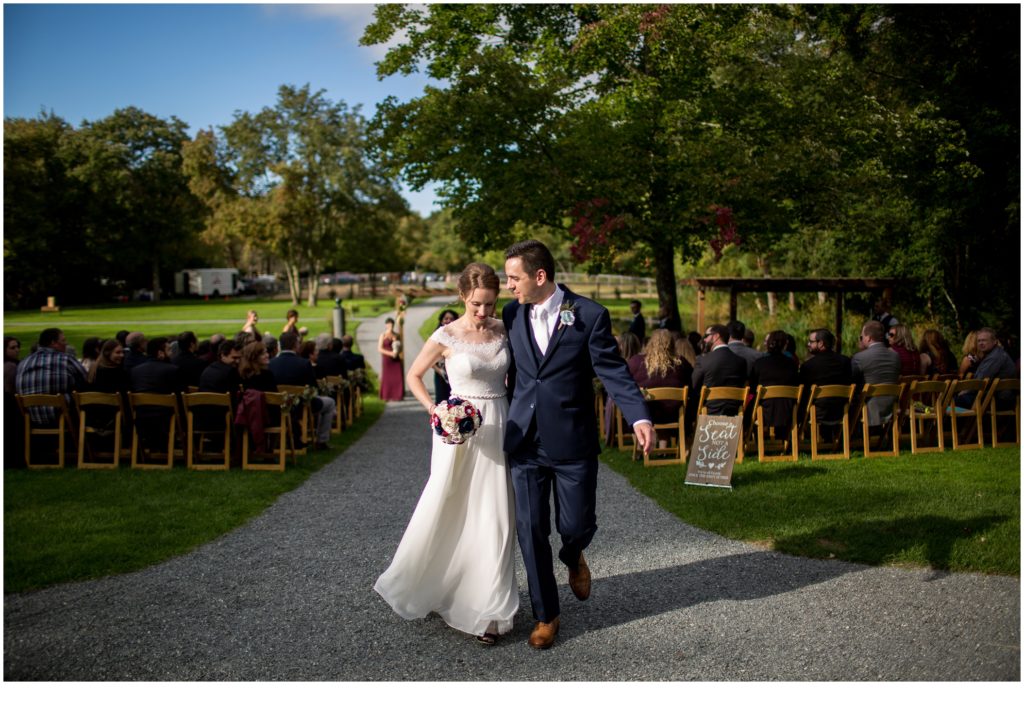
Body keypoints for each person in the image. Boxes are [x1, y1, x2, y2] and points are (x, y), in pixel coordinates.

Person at [502, 239, 653, 650]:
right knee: (530, 531)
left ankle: (574, 554)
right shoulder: (512, 313)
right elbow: (514, 370)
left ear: (540, 275)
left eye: (514, 278)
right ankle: (546, 615)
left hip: (572, 441)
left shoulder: (588, 315)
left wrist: (637, 415)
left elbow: (613, 370)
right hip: (524, 441)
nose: (508, 286)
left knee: (575, 525)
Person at [375, 262, 517, 646]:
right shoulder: (446, 335)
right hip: (459, 428)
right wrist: (437, 411)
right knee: (449, 505)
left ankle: (489, 609)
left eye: (490, 304)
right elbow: (413, 375)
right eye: (476, 304)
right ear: (462, 297)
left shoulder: (505, 329)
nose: (484, 312)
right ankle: (433, 581)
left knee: (497, 514)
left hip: (499, 423)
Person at [270, 331, 336, 450]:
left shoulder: (271, 363)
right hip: (301, 405)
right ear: (296, 345)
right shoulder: (304, 363)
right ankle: (322, 440)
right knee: (330, 403)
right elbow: (313, 388)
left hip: (276, 405)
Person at [627, 329, 691, 443]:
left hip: (646, 414)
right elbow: (690, 384)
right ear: (672, 344)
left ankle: (641, 445)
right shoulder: (681, 363)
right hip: (675, 415)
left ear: (650, 343)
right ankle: (664, 449)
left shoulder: (636, 362)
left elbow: (628, 384)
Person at [15, 327, 87, 426]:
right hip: (61, 417)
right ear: (53, 343)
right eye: (63, 340)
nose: (66, 343)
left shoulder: (24, 362)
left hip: (32, 418)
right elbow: (85, 379)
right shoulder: (65, 359)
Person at [798, 328, 853, 426]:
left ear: (821, 343)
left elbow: (803, 393)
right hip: (842, 411)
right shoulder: (845, 361)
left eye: (811, 342)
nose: (808, 344)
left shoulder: (808, 366)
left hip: (816, 413)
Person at [851, 321, 902, 426]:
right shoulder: (895, 356)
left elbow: (851, 380)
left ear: (868, 338)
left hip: (869, 407)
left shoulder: (860, 357)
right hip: (891, 406)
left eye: (862, 337)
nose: (861, 339)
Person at [691, 324, 749, 416]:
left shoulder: (703, 360)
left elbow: (693, 386)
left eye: (706, 336)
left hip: (708, 414)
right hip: (734, 414)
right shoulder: (741, 361)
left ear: (716, 336)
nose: (704, 339)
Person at [749, 330, 800, 433]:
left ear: (768, 344)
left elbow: (753, 388)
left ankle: (749, 435)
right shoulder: (792, 364)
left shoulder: (759, 363)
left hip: (764, 412)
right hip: (788, 411)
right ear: (785, 345)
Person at [954, 327, 1018, 409]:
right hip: (996, 398)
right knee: (956, 400)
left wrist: (963, 392)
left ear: (994, 342)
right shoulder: (993, 354)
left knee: (953, 401)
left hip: (999, 401)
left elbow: (980, 382)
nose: (981, 343)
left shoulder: (995, 357)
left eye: (984, 340)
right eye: (979, 341)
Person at [431, 309, 459, 402]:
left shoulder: (459, 336)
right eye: (446, 318)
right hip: (441, 374)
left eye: (451, 318)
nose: (448, 321)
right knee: (441, 400)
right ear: (441, 320)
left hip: (456, 374)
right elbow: (430, 360)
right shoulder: (436, 336)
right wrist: (440, 372)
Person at [377, 318, 404, 401]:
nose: (390, 326)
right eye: (388, 324)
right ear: (386, 325)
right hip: (387, 358)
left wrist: (397, 351)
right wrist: (390, 353)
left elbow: (400, 346)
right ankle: (386, 395)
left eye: (392, 324)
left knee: (397, 376)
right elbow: (379, 348)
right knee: (387, 377)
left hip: (395, 359)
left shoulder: (396, 335)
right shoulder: (383, 335)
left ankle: (397, 395)